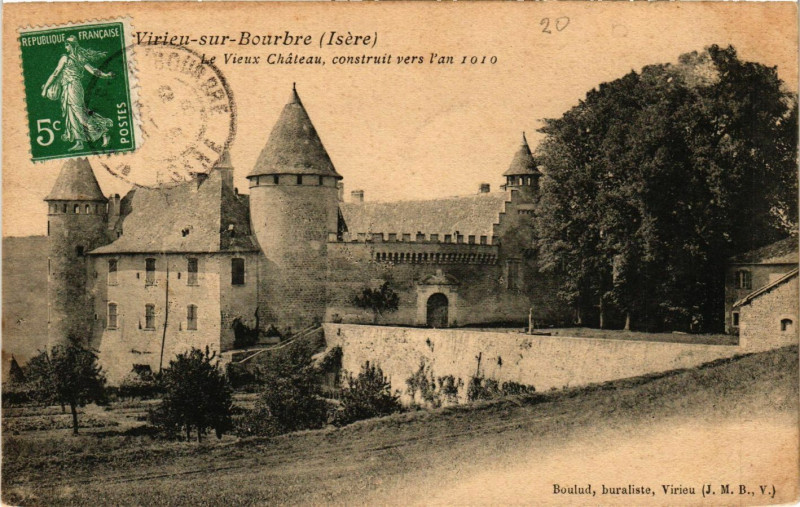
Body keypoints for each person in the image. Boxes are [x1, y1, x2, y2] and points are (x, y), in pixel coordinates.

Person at [41, 36, 115, 151]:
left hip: (73, 87)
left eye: (67, 45)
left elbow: (55, 73)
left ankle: (103, 132)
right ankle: (79, 142)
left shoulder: (66, 58)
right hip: (68, 88)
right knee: (72, 115)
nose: (66, 47)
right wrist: (105, 75)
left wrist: (45, 88)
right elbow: (93, 71)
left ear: (71, 46)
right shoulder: (79, 57)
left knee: (80, 115)